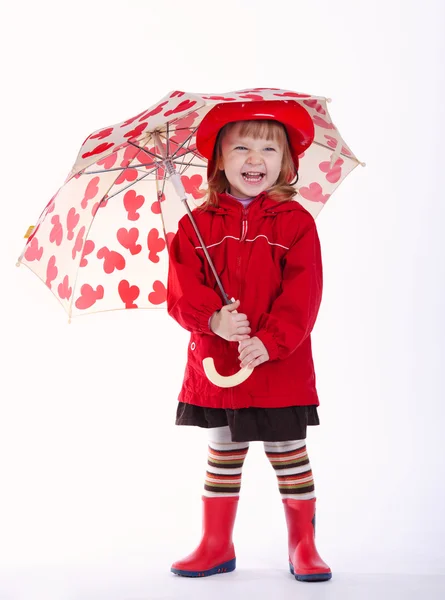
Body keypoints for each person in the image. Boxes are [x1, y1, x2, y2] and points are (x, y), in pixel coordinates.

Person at [166, 100, 332, 582]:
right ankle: (215, 544)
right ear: (219, 160)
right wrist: (213, 319)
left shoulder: (296, 224)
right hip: (219, 365)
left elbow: (305, 295)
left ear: (287, 163)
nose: (254, 159)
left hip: (278, 365)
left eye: (268, 148)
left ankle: (304, 545)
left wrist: (271, 341)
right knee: (223, 453)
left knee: (288, 451)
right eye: (240, 147)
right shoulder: (193, 226)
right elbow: (179, 291)